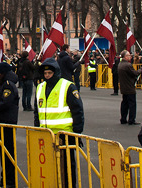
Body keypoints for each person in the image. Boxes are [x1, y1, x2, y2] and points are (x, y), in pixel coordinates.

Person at [34, 58, 84, 188]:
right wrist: (37, 129)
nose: (47, 76)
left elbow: (77, 110)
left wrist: (77, 132)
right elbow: (37, 112)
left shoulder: (67, 86)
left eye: (49, 73)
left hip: (65, 134)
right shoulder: (40, 87)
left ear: (55, 72)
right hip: (46, 134)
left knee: (67, 167)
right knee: (49, 166)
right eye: (45, 74)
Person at [118, 50, 140, 125]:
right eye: (128, 55)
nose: (130, 56)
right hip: (129, 87)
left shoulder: (120, 64)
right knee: (132, 104)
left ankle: (123, 118)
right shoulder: (128, 65)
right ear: (125, 56)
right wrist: (141, 69)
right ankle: (131, 120)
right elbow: (135, 73)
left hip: (124, 87)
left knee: (124, 103)